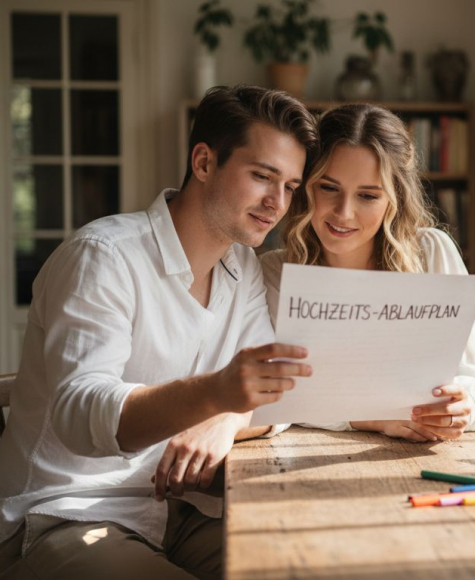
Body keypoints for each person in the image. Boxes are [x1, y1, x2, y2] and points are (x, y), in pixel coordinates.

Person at [0, 85, 317, 579]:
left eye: (291, 187)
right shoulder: (104, 257)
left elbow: (273, 394)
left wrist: (227, 419)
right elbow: (79, 411)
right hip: (64, 513)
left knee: (299, 566)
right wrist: (216, 394)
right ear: (204, 162)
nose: (277, 203)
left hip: (179, 511)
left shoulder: (244, 267)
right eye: (262, 176)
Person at [261, 103, 475, 442]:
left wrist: (465, 405)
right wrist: (366, 418)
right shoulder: (275, 273)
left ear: (394, 200)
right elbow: (273, 401)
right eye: (329, 188)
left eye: (367, 195)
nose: (344, 213)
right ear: (306, 187)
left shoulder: (431, 253)